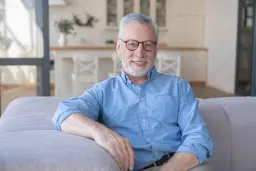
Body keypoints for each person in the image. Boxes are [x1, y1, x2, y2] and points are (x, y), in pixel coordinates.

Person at [52, 13, 213, 171]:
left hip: (181, 166)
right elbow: (63, 113)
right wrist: (100, 132)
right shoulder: (104, 91)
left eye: (148, 44)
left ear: (155, 49)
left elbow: (198, 137)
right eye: (131, 44)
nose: (140, 53)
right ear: (118, 48)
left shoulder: (178, 87)